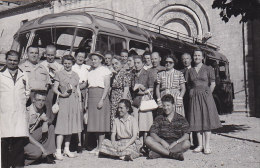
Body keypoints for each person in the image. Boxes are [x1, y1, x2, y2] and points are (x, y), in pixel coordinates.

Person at [185, 49, 222, 154]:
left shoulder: (208, 68)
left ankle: (207, 146)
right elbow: (188, 84)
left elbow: (213, 84)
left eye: (199, 55)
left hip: (206, 96)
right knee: (197, 119)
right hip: (195, 97)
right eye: (195, 55)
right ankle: (200, 145)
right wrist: (191, 92)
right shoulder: (190, 71)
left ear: (203, 57)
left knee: (206, 119)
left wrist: (208, 95)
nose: (197, 57)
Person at [1, 50, 30, 168]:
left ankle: (18, 165)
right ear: (6, 60)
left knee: (18, 141)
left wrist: (21, 102)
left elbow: (28, 91)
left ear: (18, 61)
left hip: (19, 112)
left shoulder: (24, 74)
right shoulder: (0, 74)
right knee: (5, 140)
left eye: (15, 60)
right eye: (10, 60)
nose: (13, 63)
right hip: (4, 112)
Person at [53, 55, 83, 160]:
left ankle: (66, 149)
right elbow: (55, 88)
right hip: (64, 101)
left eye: (69, 63)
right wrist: (61, 95)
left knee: (70, 126)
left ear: (72, 63)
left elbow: (78, 89)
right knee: (62, 126)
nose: (67, 65)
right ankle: (58, 150)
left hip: (74, 102)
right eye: (65, 63)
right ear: (63, 63)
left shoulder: (75, 75)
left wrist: (79, 103)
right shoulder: (59, 74)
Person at [145, 94, 190, 161]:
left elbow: (186, 135)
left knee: (187, 143)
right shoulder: (159, 118)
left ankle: (159, 153)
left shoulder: (181, 118)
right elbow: (152, 133)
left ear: (173, 105)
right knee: (148, 139)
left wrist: (176, 142)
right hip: (161, 145)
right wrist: (161, 141)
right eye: (164, 106)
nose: (166, 108)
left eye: (168, 105)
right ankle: (172, 154)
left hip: (175, 145)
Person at [86, 51, 111, 155]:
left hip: (100, 96)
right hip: (92, 96)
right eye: (92, 59)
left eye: (95, 59)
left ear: (101, 60)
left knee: (101, 123)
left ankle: (100, 147)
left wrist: (102, 99)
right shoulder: (90, 71)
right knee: (95, 123)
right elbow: (88, 87)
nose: (93, 61)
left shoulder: (105, 70)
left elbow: (107, 86)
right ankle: (97, 146)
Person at [24, 91, 56, 165]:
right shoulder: (26, 112)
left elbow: (49, 120)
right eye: (38, 100)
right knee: (38, 152)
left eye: (43, 100)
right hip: (23, 141)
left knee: (50, 127)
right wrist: (41, 147)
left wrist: (46, 122)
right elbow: (26, 135)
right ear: (33, 100)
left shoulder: (40, 110)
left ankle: (48, 154)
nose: (41, 103)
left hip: (31, 136)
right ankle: (21, 161)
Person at [72, 48, 91, 153]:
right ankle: (77, 143)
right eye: (78, 56)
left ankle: (85, 143)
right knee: (77, 118)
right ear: (75, 57)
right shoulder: (72, 67)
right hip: (75, 93)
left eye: (82, 57)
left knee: (85, 118)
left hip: (86, 94)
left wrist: (84, 85)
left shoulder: (87, 68)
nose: (80, 58)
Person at [132, 55, 154, 143]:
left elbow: (151, 87)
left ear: (143, 63)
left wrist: (143, 90)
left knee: (145, 123)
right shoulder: (133, 73)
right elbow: (132, 87)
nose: (136, 65)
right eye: (135, 63)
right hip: (136, 99)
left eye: (138, 63)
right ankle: (138, 142)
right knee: (136, 121)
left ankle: (145, 142)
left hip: (144, 99)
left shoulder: (148, 73)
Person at [110, 55, 132, 126]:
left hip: (121, 98)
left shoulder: (125, 74)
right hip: (114, 99)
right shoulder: (114, 75)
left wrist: (123, 102)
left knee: (122, 117)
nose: (114, 66)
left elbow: (126, 89)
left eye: (116, 63)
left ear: (121, 64)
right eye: (113, 64)